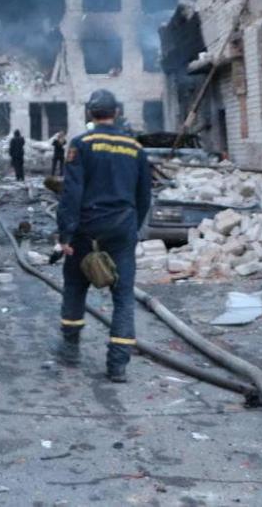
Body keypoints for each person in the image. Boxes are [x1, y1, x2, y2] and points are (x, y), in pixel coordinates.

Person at [54, 89, 151, 383]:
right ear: (117, 113)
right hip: (121, 228)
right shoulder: (135, 148)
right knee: (122, 297)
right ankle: (118, 365)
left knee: (74, 285)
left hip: (86, 229)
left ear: (89, 114)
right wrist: (132, 229)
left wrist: (65, 235)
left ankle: (70, 349)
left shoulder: (80, 145)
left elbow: (71, 194)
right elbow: (143, 195)